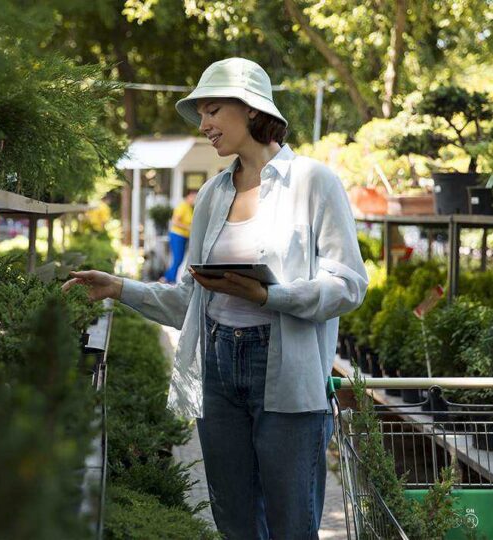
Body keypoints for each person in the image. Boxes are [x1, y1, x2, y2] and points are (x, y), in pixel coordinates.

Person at [62, 57, 368, 539]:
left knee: (293, 525)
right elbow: (191, 301)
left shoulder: (313, 182)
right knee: (235, 523)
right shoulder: (210, 195)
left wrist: (270, 296)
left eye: (211, 111)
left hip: (285, 373)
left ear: (249, 110)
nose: (203, 125)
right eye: (202, 113)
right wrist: (119, 288)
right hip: (218, 371)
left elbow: (349, 284)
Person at [161, 189, 198, 284]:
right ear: (188, 196)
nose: (195, 199)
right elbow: (175, 221)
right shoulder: (182, 206)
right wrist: (188, 227)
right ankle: (168, 279)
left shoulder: (189, 207)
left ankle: (167, 278)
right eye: (193, 197)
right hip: (177, 236)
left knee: (179, 259)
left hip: (184, 237)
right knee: (177, 258)